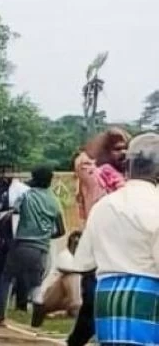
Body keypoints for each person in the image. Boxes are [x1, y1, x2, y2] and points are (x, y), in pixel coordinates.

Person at [71, 132, 159, 346]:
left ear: (128, 167)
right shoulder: (155, 205)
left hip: (107, 298)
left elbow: (83, 262)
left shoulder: (104, 205)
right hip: (147, 297)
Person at [68, 127, 131, 346]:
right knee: (92, 305)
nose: (122, 153)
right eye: (117, 149)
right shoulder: (96, 176)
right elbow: (82, 162)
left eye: (125, 149)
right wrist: (106, 136)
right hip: (99, 248)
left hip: (122, 249)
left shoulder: (128, 178)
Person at [0, 165, 65, 327]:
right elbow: (61, 230)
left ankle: (2, 317)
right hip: (41, 249)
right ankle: (38, 304)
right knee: (36, 282)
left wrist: (2, 233)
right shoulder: (55, 201)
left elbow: (11, 213)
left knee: (6, 277)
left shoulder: (26, 196)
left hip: (21, 244)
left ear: (34, 179)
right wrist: (45, 236)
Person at [0, 163, 29, 306]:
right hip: (0, 235)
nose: (4, 175)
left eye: (8, 172)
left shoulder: (23, 190)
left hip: (17, 234)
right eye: (2, 172)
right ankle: (0, 303)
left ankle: (20, 304)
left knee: (21, 271)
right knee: (1, 271)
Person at [36, 231, 83, 325]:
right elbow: (70, 271)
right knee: (71, 277)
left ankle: (71, 310)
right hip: (48, 297)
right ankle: (75, 307)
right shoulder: (65, 256)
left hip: (65, 300)